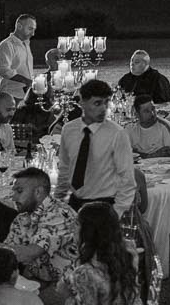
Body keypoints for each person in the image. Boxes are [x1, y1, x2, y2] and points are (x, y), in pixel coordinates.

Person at [56, 79, 135, 215]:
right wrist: (58, 201)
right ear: (82, 103)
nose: (103, 109)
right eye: (97, 103)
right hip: (75, 203)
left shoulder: (116, 133)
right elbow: (65, 168)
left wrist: (117, 212)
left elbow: (127, 178)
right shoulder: (69, 130)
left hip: (104, 204)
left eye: (106, 103)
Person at [6, 167, 78, 302]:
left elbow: (29, 253)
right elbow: (7, 255)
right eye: (13, 191)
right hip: (36, 282)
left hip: (68, 288)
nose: (13, 196)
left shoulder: (58, 214)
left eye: (19, 191)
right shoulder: (22, 218)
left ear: (38, 192)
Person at [0, 14, 38, 105]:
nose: (33, 34)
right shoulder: (7, 45)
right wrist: (27, 81)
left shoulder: (26, 43)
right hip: (11, 95)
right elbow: (4, 71)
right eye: (30, 29)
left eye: (34, 30)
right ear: (19, 26)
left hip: (26, 94)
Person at [127, 95, 170, 163]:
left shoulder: (165, 127)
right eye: (146, 111)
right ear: (137, 114)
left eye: (153, 109)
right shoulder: (130, 129)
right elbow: (123, 153)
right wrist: (153, 156)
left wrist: (141, 155)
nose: (152, 113)